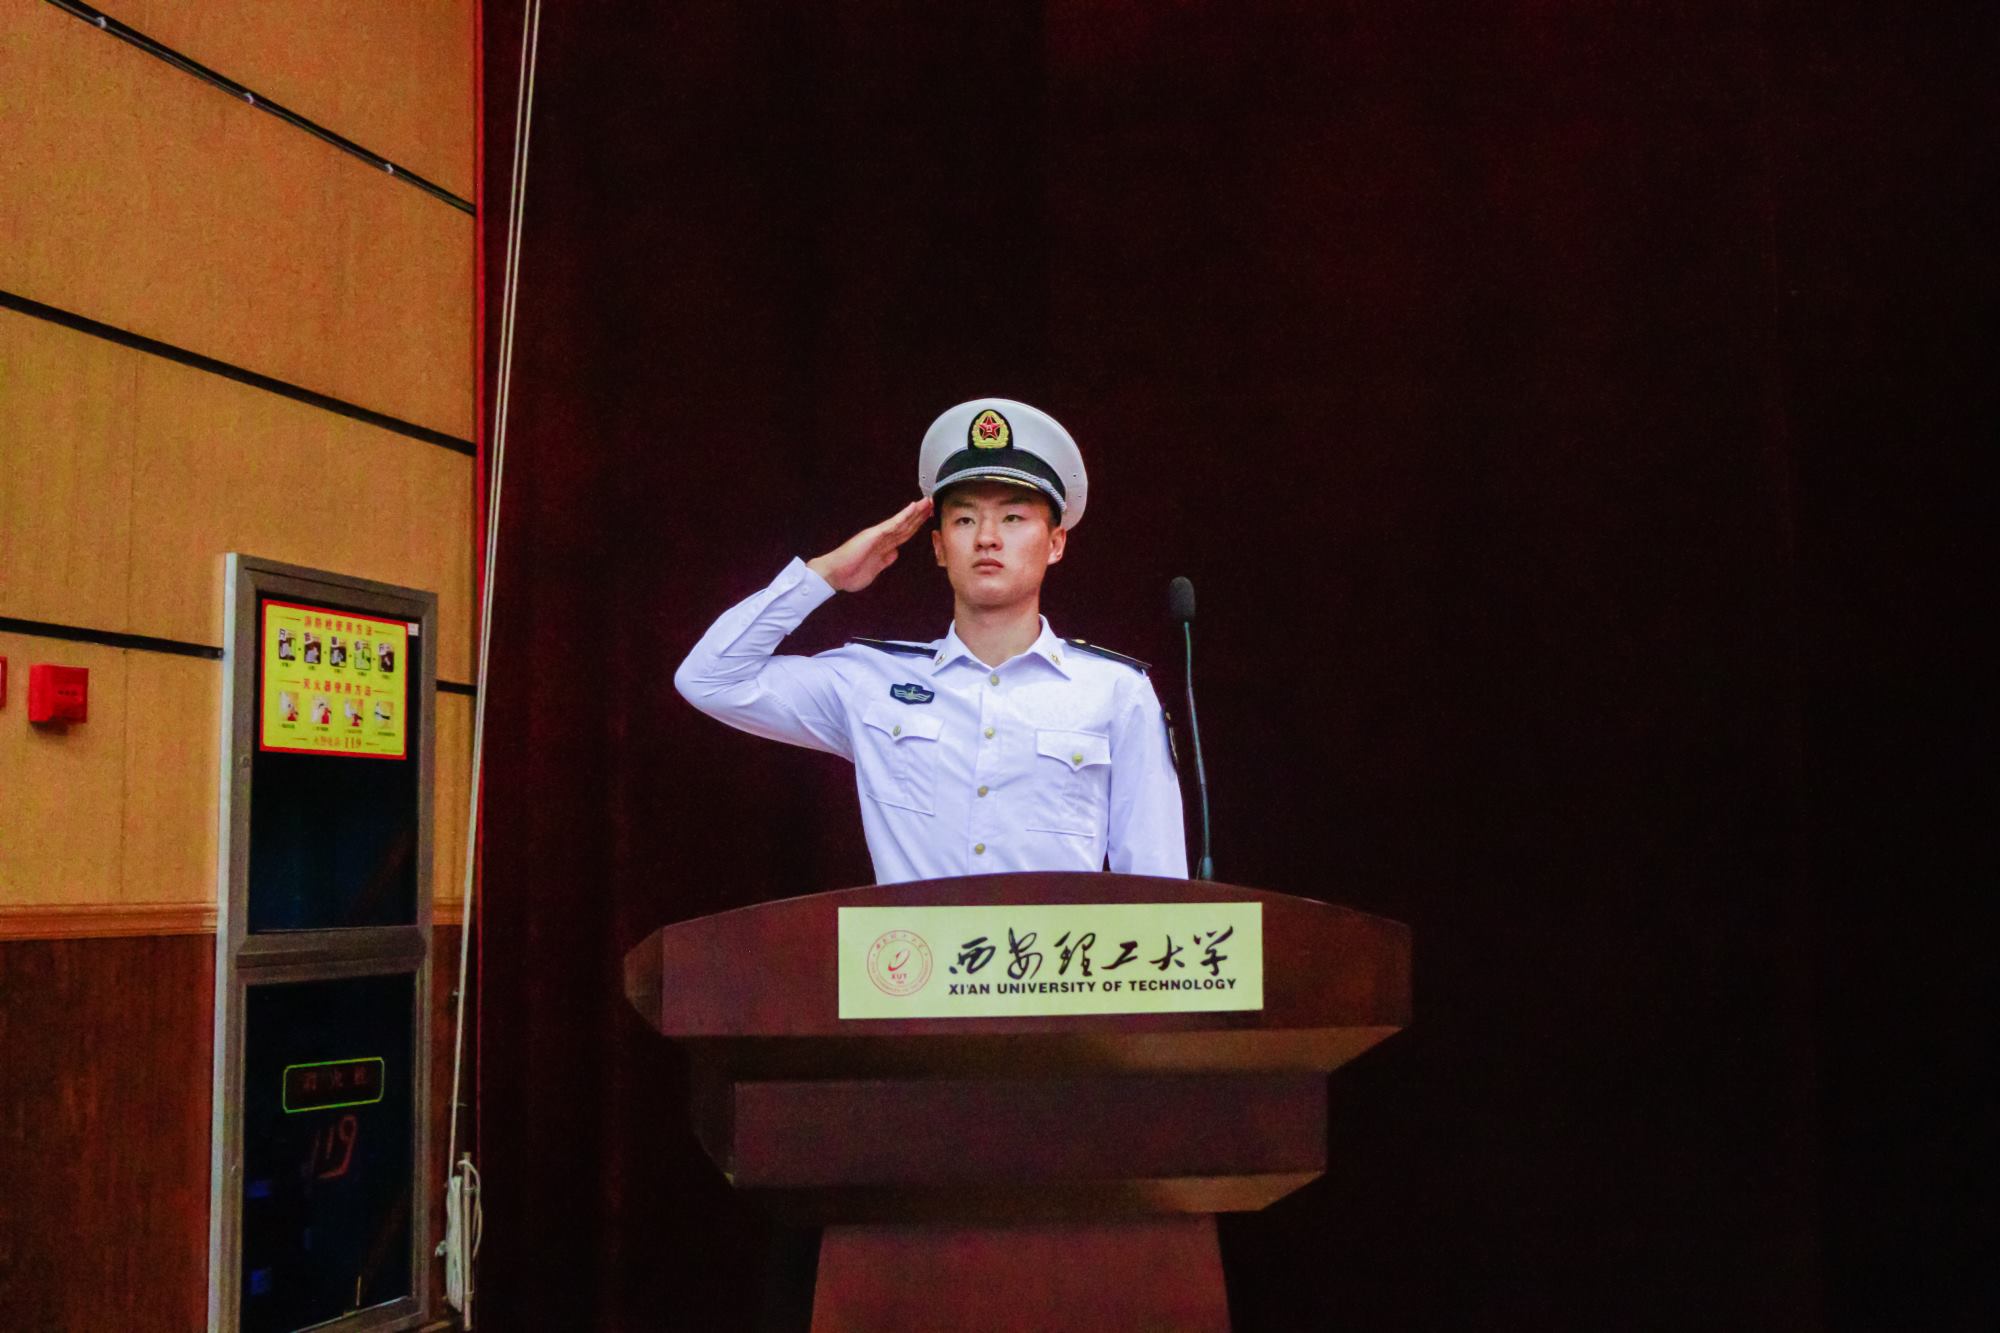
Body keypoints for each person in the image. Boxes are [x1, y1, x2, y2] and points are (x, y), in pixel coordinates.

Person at [674, 397, 1187, 884]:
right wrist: (824, 575)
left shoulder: (1114, 691)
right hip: (909, 951)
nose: (986, 537)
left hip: (1057, 952)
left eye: (1012, 517)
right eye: (965, 519)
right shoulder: (871, 681)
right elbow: (709, 680)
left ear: (1055, 544)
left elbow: (1159, 882)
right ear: (939, 547)